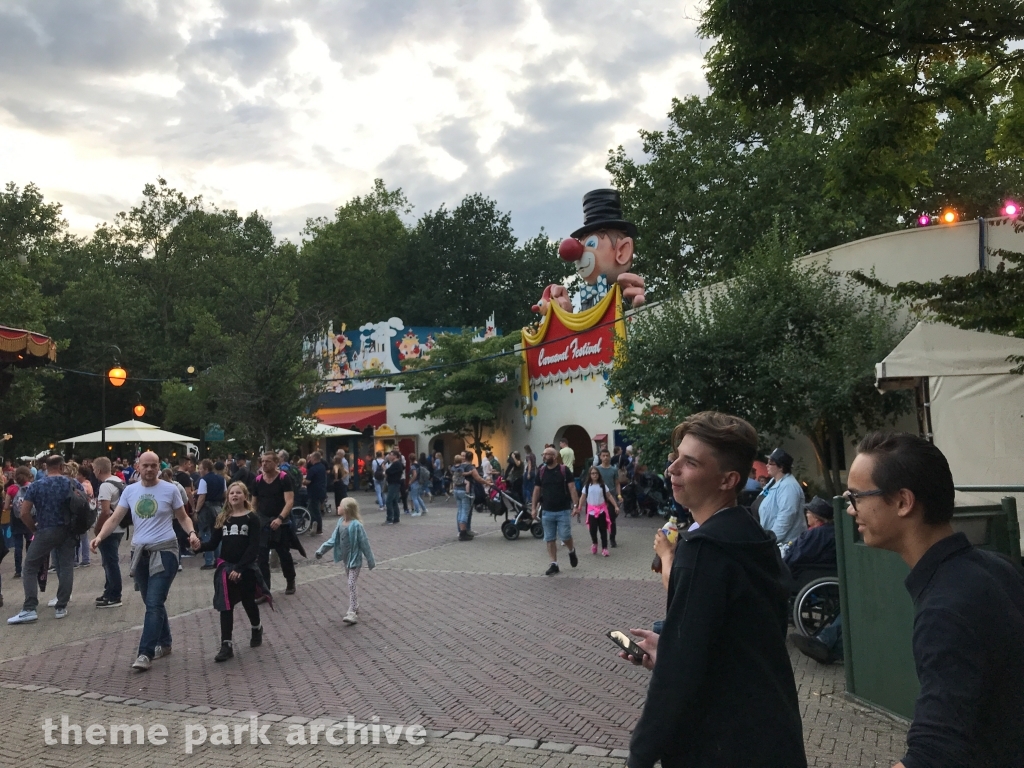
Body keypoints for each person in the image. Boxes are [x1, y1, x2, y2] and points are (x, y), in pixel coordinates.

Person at [623, 412, 806, 768]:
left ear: (728, 480)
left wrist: (640, 756)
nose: (672, 469)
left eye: (689, 462)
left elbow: (675, 682)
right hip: (771, 733)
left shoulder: (703, 551)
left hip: (722, 744)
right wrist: (674, 650)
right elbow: (743, 643)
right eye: (676, 457)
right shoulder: (754, 537)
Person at [846, 432, 1024, 768]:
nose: (850, 509)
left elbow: (935, 754)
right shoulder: (997, 568)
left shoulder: (945, 609)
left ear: (903, 502)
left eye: (856, 496)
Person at [90, 451, 197, 671]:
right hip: (140, 553)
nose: (149, 469)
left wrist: (192, 533)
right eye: (145, 465)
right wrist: (99, 537)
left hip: (165, 551)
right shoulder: (130, 490)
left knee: (154, 602)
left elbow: (182, 516)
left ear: (159, 467)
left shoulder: (170, 489)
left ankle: (145, 653)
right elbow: (115, 517)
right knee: (151, 601)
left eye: (153, 465)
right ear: (138, 467)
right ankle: (165, 642)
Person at [194, 481, 269, 662]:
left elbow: (253, 548)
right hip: (225, 568)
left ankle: (256, 627)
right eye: (231, 493)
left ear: (245, 496)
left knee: (248, 602)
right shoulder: (223, 518)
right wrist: (198, 546)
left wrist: (240, 568)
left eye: (238, 493)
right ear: (227, 497)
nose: (234, 496)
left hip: (246, 568)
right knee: (225, 606)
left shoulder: (252, 518)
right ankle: (226, 644)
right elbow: (213, 543)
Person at [7, 455, 84, 624]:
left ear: (45, 467)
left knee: (30, 566)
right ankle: (61, 606)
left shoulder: (37, 486)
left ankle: (30, 607)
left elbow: (24, 512)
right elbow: (84, 503)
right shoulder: (71, 483)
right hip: (68, 530)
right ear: (62, 466)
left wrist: (33, 529)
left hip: (46, 529)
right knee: (65, 567)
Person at [315, 497, 375, 625]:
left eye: (340, 505)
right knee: (350, 582)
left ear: (346, 509)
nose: (337, 507)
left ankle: (352, 611)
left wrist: (370, 560)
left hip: (355, 560)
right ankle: (356, 605)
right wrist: (321, 550)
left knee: (351, 583)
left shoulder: (356, 525)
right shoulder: (340, 522)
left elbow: (364, 543)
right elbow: (333, 540)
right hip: (346, 560)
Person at [531, 445, 581, 576]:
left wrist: (576, 506)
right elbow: (536, 490)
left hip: (563, 510)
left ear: (554, 456)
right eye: (543, 454)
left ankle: (571, 550)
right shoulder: (541, 471)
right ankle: (554, 563)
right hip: (547, 510)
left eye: (546, 454)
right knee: (549, 538)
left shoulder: (564, 471)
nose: (544, 456)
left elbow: (572, 489)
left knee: (565, 536)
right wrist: (533, 508)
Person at [253, 452, 297, 594]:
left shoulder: (284, 478)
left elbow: (289, 501)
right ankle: (265, 589)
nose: (264, 464)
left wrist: (280, 518)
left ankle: (290, 580)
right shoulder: (258, 480)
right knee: (261, 557)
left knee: (284, 554)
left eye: (268, 461)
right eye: (262, 461)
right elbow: (254, 502)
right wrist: (253, 519)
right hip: (263, 522)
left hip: (281, 522)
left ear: (276, 462)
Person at [756, 447, 807, 553]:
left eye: (771, 463)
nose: (767, 465)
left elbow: (785, 517)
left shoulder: (789, 486)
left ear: (781, 467)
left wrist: (769, 541)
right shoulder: (773, 482)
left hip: (785, 547)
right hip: (773, 543)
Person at [92, 457, 125, 608]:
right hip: (120, 527)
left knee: (110, 562)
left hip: (109, 529)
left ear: (98, 470)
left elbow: (105, 511)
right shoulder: (118, 481)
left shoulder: (105, 486)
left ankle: (114, 595)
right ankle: (109, 590)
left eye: (93, 469)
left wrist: (98, 529)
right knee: (109, 561)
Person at [577, 465, 619, 556]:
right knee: (593, 529)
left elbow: (609, 496)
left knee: (603, 530)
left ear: (599, 475)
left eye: (596, 473)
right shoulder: (587, 486)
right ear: (590, 475)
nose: (594, 475)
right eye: (592, 473)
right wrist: (579, 507)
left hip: (602, 511)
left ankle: (604, 548)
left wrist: (615, 506)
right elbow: (582, 497)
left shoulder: (602, 486)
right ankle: (594, 543)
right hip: (591, 512)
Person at [194, 458, 226, 570]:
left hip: (207, 509)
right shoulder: (222, 479)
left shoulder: (204, 480)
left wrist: (196, 511)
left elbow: (202, 496)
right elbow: (225, 494)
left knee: (206, 533)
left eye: (201, 468)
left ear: (206, 469)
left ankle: (208, 561)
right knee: (218, 533)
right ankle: (219, 560)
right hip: (219, 507)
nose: (199, 471)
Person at [4, 466, 32, 579]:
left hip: (16, 520)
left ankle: (18, 570)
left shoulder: (11, 489)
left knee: (18, 545)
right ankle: (30, 567)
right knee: (31, 543)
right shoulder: (31, 487)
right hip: (29, 518)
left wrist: (13, 505)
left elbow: (6, 507)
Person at [451, 452, 486, 541]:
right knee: (465, 512)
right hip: (466, 492)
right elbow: (478, 478)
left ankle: (463, 530)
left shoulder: (456, 467)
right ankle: (463, 532)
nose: (462, 457)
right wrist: (487, 483)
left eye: (463, 455)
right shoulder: (469, 467)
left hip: (457, 490)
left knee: (460, 511)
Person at [595, 448, 621, 548]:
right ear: (600, 457)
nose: (605, 458)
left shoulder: (613, 469)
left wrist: (619, 495)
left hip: (612, 496)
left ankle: (612, 538)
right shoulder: (597, 469)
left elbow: (617, 483)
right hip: (600, 497)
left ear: (610, 457)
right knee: (601, 520)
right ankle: (603, 539)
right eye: (603, 456)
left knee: (612, 519)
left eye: (607, 456)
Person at [303, 451, 327, 535]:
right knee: (317, 510)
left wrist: (302, 481)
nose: (310, 460)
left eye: (311, 458)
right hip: (321, 490)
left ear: (314, 458)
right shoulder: (322, 467)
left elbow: (308, 481)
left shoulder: (313, 469)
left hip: (313, 491)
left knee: (313, 510)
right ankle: (318, 528)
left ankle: (316, 528)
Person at [383, 451, 404, 525]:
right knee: (394, 501)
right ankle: (396, 518)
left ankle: (389, 518)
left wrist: (384, 468)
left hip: (394, 484)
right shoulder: (395, 464)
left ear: (395, 456)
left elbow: (388, 472)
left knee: (389, 501)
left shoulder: (396, 464)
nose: (389, 456)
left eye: (390, 455)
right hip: (393, 483)